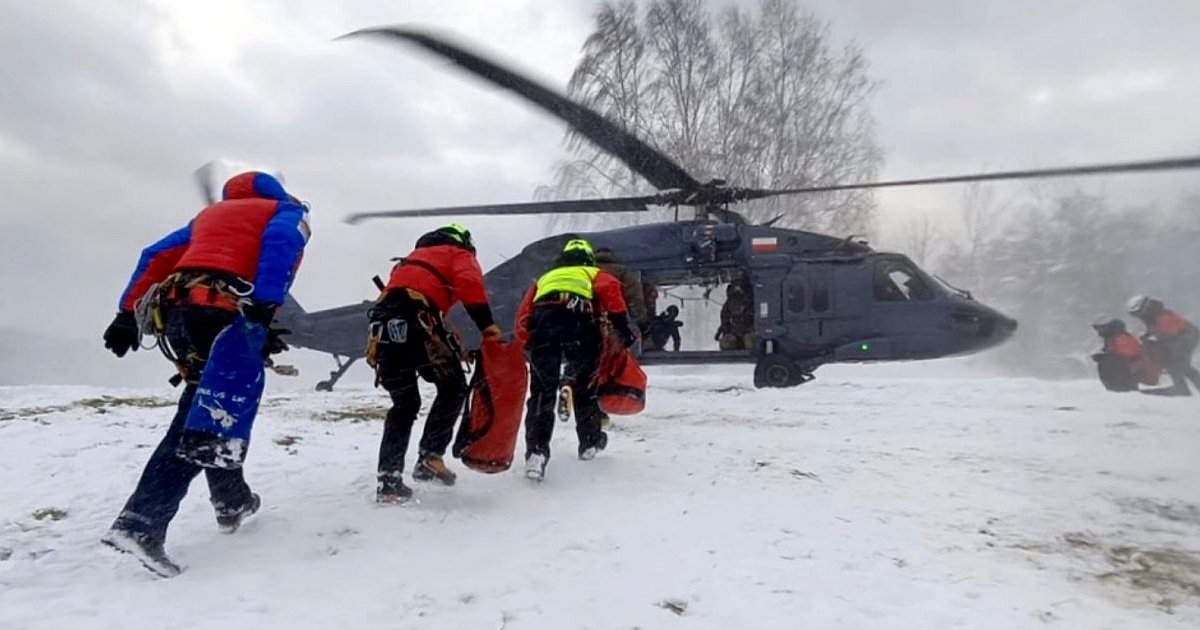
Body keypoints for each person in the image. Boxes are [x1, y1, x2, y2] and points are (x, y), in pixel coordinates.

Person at [100, 171, 310, 577]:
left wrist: (126, 313)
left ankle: (232, 500)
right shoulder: (286, 211)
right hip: (223, 312)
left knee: (209, 405)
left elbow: (153, 255)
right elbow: (282, 244)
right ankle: (140, 524)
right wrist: (266, 304)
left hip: (177, 313)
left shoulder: (208, 217)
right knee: (212, 419)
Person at [369, 223, 501, 504]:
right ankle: (430, 456)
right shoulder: (457, 254)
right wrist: (487, 326)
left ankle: (389, 481)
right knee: (453, 389)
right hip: (419, 325)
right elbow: (470, 285)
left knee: (404, 404)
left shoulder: (409, 261)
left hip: (384, 332)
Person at [515, 238, 635, 481]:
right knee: (586, 384)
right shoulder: (591, 272)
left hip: (543, 322)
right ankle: (589, 441)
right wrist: (624, 330)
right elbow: (612, 294)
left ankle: (536, 454)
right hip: (578, 321)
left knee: (541, 392)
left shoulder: (545, 278)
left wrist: (527, 341)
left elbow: (523, 314)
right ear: (588, 258)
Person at [1127, 296, 1200, 396]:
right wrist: (1148, 336)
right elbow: (1157, 331)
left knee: (1178, 363)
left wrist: (1154, 340)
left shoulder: (1162, 316)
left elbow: (1170, 335)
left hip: (1186, 337)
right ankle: (1181, 386)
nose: (1138, 316)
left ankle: (1181, 388)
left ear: (1144, 308)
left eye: (1137, 313)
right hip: (1179, 337)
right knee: (1176, 362)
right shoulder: (1152, 315)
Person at [1091, 318, 1157, 392]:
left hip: (1124, 379)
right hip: (1124, 376)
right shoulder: (1116, 338)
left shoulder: (1121, 339)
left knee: (1108, 363)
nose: (1099, 333)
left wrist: (1103, 358)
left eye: (1103, 329)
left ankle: (1119, 390)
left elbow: (1124, 357)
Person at [595, 246, 647, 329]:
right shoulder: (622, 271)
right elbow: (634, 295)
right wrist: (639, 319)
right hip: (618, 317)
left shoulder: (588, 271)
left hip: (592, 317)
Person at [715, 274, 755, 351]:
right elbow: (724, 319)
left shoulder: (752, 302)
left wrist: (749, 331)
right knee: (726, 343)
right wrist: (727, 332)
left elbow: (757, 319)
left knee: (749, 340)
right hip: (734, 333)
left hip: (748, 333)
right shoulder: (728, 304)